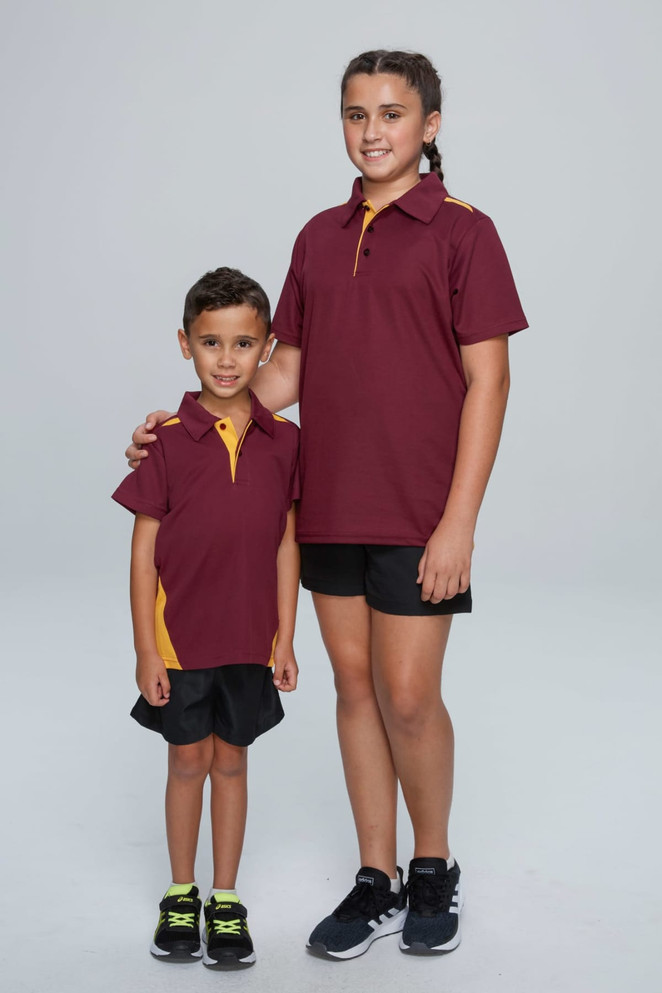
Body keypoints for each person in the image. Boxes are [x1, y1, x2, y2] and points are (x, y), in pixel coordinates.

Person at [126, 49, 528, 959]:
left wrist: (459, 519)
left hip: (421, 508)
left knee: (410, 694)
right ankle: (376, 875)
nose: (373, 130)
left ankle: (435, 868)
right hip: (325, 504)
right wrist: (193, 422)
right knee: (354, 687)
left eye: (392, 113)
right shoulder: (316, 235)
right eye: (356, 114)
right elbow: (286, 371)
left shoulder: (465, 231)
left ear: (430, 126)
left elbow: (490, 380)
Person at [113, 267, 300, 968]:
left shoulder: (286, 440)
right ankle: (180, 891)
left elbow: (286, 541)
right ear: (186, 344)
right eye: (211, 342)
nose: (227, 359)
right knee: (187, 760)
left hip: (251, 639)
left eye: (244, 343)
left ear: (267, 347)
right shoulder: (165, 440)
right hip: (181, 638)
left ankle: (226, 898)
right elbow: (142, 555)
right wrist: (145, 650)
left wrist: (285, 635)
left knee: (232, 762)